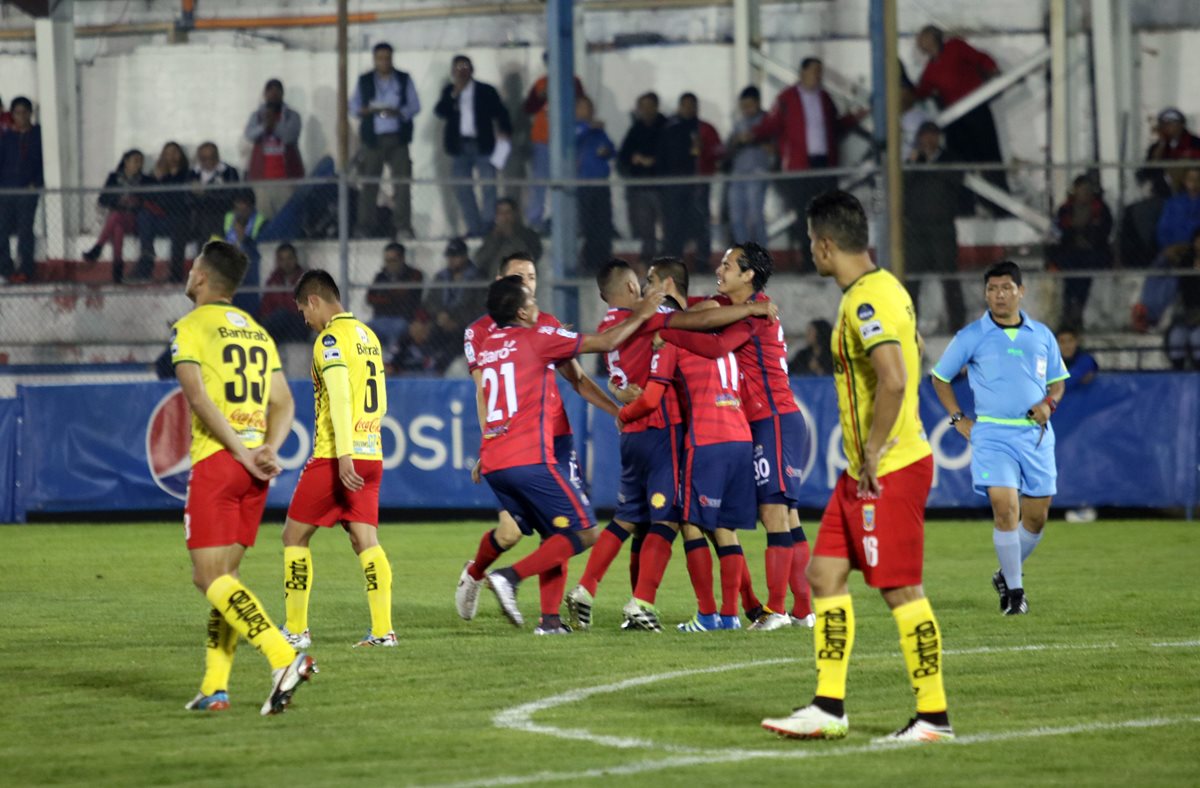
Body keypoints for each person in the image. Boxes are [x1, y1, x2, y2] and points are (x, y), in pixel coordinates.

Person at [761, 190, 953, 743]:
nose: (810, 253)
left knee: (900, 590)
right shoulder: (886, 288)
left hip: (885, 468)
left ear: (824, 245)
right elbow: (911, 349)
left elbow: (893, 377)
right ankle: (827, 707)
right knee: (823, 575)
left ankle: (934, 717)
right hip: (863, 471)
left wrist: (871, 453)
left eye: (810, 243)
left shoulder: (865, 302)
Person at [565, 258, 776, 631]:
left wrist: (618, 404)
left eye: (652, 281)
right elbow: (701, 317)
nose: (648, 289)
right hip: (669, 428)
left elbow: (700, 309)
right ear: (632, 288)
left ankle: (586, 588)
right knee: (679, 522)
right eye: (643, 283)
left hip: (634, 437)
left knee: (630, 518)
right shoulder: (654, 317)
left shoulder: (609, 325)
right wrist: (752, 308)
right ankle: (652, 604)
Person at [170, 239, 315, 715]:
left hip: (219, 461)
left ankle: (282, 656)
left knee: (207, 576)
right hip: (255, 470)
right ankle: (215, 686)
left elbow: (198, 398)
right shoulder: (255, 331)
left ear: (204, 278)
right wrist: (266, 448)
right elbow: (285, 402)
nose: (189, 274)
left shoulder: (190, 326)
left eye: (193, 268)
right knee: (225, 580)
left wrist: (240, 450)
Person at [476, 276, 664, 632]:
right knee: (586, 531)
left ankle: (549, 622)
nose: (537, 306)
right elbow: (607, 341)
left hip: (495, 460)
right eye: (531, 300)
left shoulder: (489, 344)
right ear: (520, 311)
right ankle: (509, 578)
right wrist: (642, 314)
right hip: (529, 457)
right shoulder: (539, 337)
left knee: (556, 534)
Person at [654, 243, 814, 630]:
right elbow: (700, 311)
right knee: (786, 515)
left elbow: (716, 344)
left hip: (773, 418)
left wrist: (667, 331)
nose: (719, 269)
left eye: (727, 265)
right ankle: (804, 608)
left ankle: (776, 609)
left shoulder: (758, 315)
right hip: (767, 420)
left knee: (774, 513)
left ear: (748, 276)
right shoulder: (745, 307)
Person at [457, 252, 621, 628]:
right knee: (513, 532)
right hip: (515, 442)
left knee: (559, 529)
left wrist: (615, 411)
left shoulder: (545, 325)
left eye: (531, 276)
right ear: (502, 283)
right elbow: (484, 392)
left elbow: (576, 378)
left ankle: (548, 619)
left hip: (554, 439)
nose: (527, 284)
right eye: (518, 277)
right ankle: (479, 572)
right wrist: (489, 440)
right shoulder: (480, 332)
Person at [614, 259, 762, 633]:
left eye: (650, 283)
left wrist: (624, 414)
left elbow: (650, 399)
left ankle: (708, 615)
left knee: (691, 524)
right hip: (740, 434)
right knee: (725, 528)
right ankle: (732, 615)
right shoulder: (722, 327)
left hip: (706, 438)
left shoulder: (673, 337)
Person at [931, 260, 1069, 618]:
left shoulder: (1041, 335)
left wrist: (1049, 403)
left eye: (1006, 288)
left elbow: (1058, 382)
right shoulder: (971, 336)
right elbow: (940, 378)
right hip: (992, 434)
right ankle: (1015, 594)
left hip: (1036, 436)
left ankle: (1004, 574)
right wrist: (959, 419)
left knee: (1036, 518)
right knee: (1005, 509)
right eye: (992, 289)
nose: (999, 295)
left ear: (1021, 291)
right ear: (986, 293)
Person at [280, 269, 395, 649]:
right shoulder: (368, 337)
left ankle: (296, 630)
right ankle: (383, 631)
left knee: (294, 535)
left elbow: (341, 398)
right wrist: (363, 446)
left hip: (336, 456)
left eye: (303, 311)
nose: (306, 321)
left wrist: (344, 455)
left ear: (314, 300)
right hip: (371, 452)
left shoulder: (330, 340)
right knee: (365, 539)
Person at [747, 58, 864, 262]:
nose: (817, 76)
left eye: (819, 72)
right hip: (799, 166)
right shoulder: (787, 98)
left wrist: (854, 117)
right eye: (813, 71)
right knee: (804, 214)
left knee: (828, 213)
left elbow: (834, 126)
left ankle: (829, 257)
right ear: (802, 73)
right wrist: (751, 135)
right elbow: (771, 125)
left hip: (825, 163)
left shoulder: (825, 98)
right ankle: (809, 259)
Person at [915, 25, 1007, 211]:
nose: (920, 45)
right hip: (955, 122)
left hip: (976, 112)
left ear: (934, 38)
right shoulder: (929, 69)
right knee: (959, 162)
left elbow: (981, 58)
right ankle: (965, 207)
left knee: (989, 157)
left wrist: (993, 70)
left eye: (922, 40)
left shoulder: (955, 47)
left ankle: (1001, 206)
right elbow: (921, 91)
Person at [434, 55, 513, 237]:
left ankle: (488, 225)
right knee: (462, 188)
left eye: (465, 67)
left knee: (488, 186)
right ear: (453, 71)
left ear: (472, 70)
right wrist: (454, 94)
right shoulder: (449, 91)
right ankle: (474, 227)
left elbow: (501, 112)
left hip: (483, 145)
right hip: (459, 147)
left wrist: (505, 131)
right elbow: (440, 111)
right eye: (458, 67)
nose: (462, 71)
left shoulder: (485, 90)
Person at [350, 42, 420, 239]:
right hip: (373, 139)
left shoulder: (403, 79)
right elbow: (353, 106)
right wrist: (364, 111)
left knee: (402, 183)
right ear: (374, 60)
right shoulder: (364, 81)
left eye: (387, 58)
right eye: (380, 58)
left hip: (398, 138)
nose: (384, 62)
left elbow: (415, 105)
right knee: (370, 183)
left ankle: (403, 226)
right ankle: (365, 226)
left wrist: (398, 112)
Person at [904, 120, 965, 332]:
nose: (929, 140)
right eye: (925, 135)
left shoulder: (950, 159)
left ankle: (957, 324)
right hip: (916, 228)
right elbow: (901, 187)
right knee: (911, 280)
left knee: (949, 277)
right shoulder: (912, 162)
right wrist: (913, 164)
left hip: (942, 226)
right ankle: (909, 326)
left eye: (933, 135)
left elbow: (957, 181)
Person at [522, 54, 585, 233]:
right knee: (540, 181)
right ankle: (535, 222)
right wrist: (542, 96)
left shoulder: (574, 82)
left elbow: (582, 105)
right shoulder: (541, 82)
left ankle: (571, 220)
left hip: (568, 141)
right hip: (543, 140)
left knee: (570, 181)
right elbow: (529, 108)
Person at [658, 92, 722, 264]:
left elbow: (718, 151)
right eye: (685, 105)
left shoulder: (705, 129)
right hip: (675, 183)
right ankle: (673, 259)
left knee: (701, 221)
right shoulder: (670, 128)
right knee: (674, 221)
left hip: (699, 182)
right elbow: (663, 155)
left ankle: (702, 258)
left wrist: (704, 151)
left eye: (691, 105)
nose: (688, 108)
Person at [1050, 175, 1113, 329]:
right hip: (1070, 251)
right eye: (1082, 189)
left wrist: (1087, 234)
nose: (1085, 193)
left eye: (1088, 190)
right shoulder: (1065, 209)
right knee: (1071, 268)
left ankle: (1077, 307)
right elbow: (1060, 232)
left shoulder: (1101, 209)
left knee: (1086, 269)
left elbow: (1104, 231)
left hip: (1094, 251)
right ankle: (1070, 307)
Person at [84, 149, 149, 283]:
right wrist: (117, 199)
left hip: (136, 220)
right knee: (117, 227)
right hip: (118, 217)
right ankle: (117, 271)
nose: (138, 164)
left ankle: (98, 248)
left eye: (141, 162)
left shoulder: (145, 180)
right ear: (126, 161)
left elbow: (149, 201)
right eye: (135, 160)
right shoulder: (114, 178)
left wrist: (135, 200)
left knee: (115, 217)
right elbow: (102, 199)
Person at [617, 92, 668, 262]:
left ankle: (668, 255)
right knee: (645, 226)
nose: (646, 110)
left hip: (662, 186)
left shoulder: (666, 127)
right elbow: (624, 155)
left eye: (649, 106)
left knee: (667, 223)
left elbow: (672, 153)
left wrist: (654, 161)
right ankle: (649, 256)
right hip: (641, 186)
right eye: (642, 107)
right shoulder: (635, 129)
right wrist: (635, 159)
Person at [244, 78, 304, 219]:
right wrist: (265, 126)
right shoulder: (257, 115)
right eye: (270, 92)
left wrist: (274, 125)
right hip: (262, 181)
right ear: (265, 94)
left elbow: (290, 137)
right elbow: (249, 134)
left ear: (282, 94)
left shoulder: (292, 115)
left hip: (287, 180)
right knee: (263, 218)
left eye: (277, 92)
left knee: (287, 218)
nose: (273, 96)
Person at [134, 141, 191, 283]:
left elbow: (179, 200)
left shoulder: (187, 175)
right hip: (161, 220)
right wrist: (157, 179)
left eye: (175, 153)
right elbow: (148, 196)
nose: (171, 156)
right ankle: (146, 264)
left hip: (181, 220)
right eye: (167, 153)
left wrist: (170, 177)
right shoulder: (156, 176)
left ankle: (175, 274)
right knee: (144, 216)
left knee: (179, 224)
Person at [0, 96, 43, 284]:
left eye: (25, 112)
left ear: (30, 114)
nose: (22, 116)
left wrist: (37, 182)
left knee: (25, 229)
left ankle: (26, 269)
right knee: (2, 230)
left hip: (28, 191)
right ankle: (6, 269)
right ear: (12, 115)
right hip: (6, 192)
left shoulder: (38, 135)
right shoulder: (7, 138)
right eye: (17, 112)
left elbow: (45, 162)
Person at [575, 95, 615, 273]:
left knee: (603, 224)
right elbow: (573, 141)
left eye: (590, 107)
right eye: (584, 107)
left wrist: (607, 150)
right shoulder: (573, 128)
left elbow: (612, 149)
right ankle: (589, 262)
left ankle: (603, 260)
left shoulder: (599, 132)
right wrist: (588, 128)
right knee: (588, 225)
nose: (588, 111)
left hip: (601, 183)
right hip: (584, 184)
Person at [727, 86, 772, 248]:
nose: (746, 109)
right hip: (738, 174)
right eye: (743, 106)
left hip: (757, 172)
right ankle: (743, 255)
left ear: (758, 103)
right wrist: (737, 141)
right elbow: (728, 148)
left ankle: (761, 254)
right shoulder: (738, 123)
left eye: (749, 105)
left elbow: (775, 147)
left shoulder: (767, 121)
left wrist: (755, 139)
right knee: (737, 217)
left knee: (755, 217)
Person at [426, 237, 485, 354]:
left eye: (456, 256)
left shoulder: (477, 278)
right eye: (450, 256)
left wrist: (456, 320)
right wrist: (440, 314)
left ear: (465, 256)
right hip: (440, 322)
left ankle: (438, 367)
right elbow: (429, 301)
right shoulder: (441, 277)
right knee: (422, 333)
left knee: (458, 340)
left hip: (464, 325)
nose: (451, 260)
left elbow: (480, 308)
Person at [366, 241, 424, 352]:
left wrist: (385, 297)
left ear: (402, 259)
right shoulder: (381, 276)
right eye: (387, 261)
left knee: (397, 330)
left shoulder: (414, 274)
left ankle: (391, 359)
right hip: (380, 319)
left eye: (393, 261)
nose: (389, 264)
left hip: (402, 319)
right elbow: (370, 298)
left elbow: (408, 298)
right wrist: (392, 298)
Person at [221, 190, 267, 316]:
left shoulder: (261, 221)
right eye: (237, 206)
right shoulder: (228, 218)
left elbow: (259, 247)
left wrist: (243, 239)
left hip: (251, 267)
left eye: (244, 206)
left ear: (251, 207)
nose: (240, 211)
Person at [189, 142, 240, 247]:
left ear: (217, 156)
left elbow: (229, 196)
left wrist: (204, 193)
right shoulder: (192, 173)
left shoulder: (229, 171)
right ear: (199, 158)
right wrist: (211, 196)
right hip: (198, 215)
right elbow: (188, 199)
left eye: (212, 157)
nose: (208, 161)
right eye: (204, 158)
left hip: (223, 214)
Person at [474, 197, 543, 275]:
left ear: (515, 214)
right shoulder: (491, 236)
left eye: (508, 212)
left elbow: (533, 256)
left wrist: (512, 237)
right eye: (501, 213)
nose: (504, 217)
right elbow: (479, 261)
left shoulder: (529, 235)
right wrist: (495, 239)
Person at [258, 243, 308, 344]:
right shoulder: (274, 280)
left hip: (298, 326)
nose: (286, 263)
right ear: (278, 262)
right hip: (278, 326)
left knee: (282, 314)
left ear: (295, 259)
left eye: (289, 258)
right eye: (282, 259)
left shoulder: (305, 280)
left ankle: (260, 336)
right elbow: (265, 308)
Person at [1145, 107, 1200, 196]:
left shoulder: (1195, 142)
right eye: (1164, 124)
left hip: (1192, 194)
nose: (1167, 127)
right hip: (1162, 194)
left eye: (1171, 123)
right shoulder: (1156, 147)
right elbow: (1149, 169)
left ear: (1181, 125)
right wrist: (1161, 144)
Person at [1156, 167, 1200, 253]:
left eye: (1198, 179)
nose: (1194, 183)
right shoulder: (1173, 203)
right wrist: (1168, 246)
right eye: (1191, 179)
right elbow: (1162, 229)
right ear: (1184, 181)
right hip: (1174, 248)